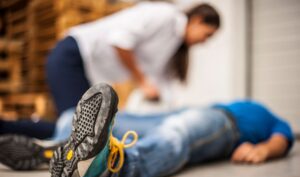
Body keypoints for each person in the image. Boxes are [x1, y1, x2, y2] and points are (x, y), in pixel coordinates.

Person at [0, 83, 294, 177]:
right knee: (69, 116)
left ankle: (108, 168)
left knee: (177, 134)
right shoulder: (229, 102)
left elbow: (284, 136)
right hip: (191, 111)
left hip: (224, 125)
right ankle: (61, 149)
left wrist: (264, 149)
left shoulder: (269, 118)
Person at [0, 2, 221, 140]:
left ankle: (15, 133)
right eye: (207, 34)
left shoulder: (173, 45)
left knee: (83, 131)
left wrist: (175, 116)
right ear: (198, 20)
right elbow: (120, 41)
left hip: (88, 70)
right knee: (76, 130)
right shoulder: (164, 15)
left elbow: (162, 84)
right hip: (73, 55)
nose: (205, 42)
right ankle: (7, 129)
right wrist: (142, 80)